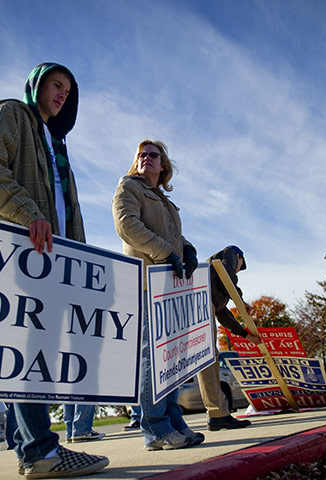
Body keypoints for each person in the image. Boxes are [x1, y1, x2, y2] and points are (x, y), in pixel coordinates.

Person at [0, 62, 108, 478]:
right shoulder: (11, 113)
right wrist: (28, 213)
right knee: (28, 352)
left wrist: (81, 261)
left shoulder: (55, 142)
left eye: (68, 89)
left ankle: (34, 449)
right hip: (21, 253)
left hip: (59, 261)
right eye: (56, 84)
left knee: (43, 354)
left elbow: (68, 211)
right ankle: (41, 452)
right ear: (36, 85)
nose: (63, 94)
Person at [112, 139, 204, 451]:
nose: (146, 158)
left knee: (173, 358)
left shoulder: (163, 200)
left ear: (163, 165)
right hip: (146, 283)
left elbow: (172, 233)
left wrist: (187, 248)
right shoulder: (129, 187)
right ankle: (155, 429)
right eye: (141, 154)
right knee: (154, 356)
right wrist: (165, 252)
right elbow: (126, 225)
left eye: (153, 155)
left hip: (173, 285)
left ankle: (175, 423)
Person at [197, 245, 263, 431]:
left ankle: (217, 413)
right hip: (200, 303)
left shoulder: (216, 285)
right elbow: (229, 275)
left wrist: (244, 334)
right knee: (207, 357)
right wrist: (240, 301)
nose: (238, 271)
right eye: (239, 267)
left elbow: (223, 314)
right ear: (239, 258)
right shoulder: (230, 252)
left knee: (209, 357)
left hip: (202, 304)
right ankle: (217, 414)